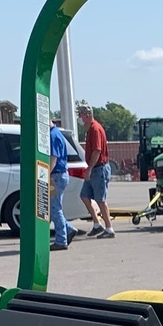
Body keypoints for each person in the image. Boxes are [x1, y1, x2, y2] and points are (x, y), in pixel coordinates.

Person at [78, 104, 114, 238]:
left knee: (100, 199)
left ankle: (109, 228)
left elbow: (97, 150)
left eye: (81, 114)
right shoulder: (90, 130)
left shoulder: (95, 129)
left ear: (87, 115)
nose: (79, 118)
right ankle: (97, 224)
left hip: (99, 169)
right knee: (84, 196)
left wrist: (90, 169)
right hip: (94, 169)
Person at [49, 121, 74, 250]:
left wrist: (45, 174)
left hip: (56, 176)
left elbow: (53, 158)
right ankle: (68, 229)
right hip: (59, 175)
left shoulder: (53, 135)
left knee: (55, 208)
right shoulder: (56, 133)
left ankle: (61, 240)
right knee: (53, 208)